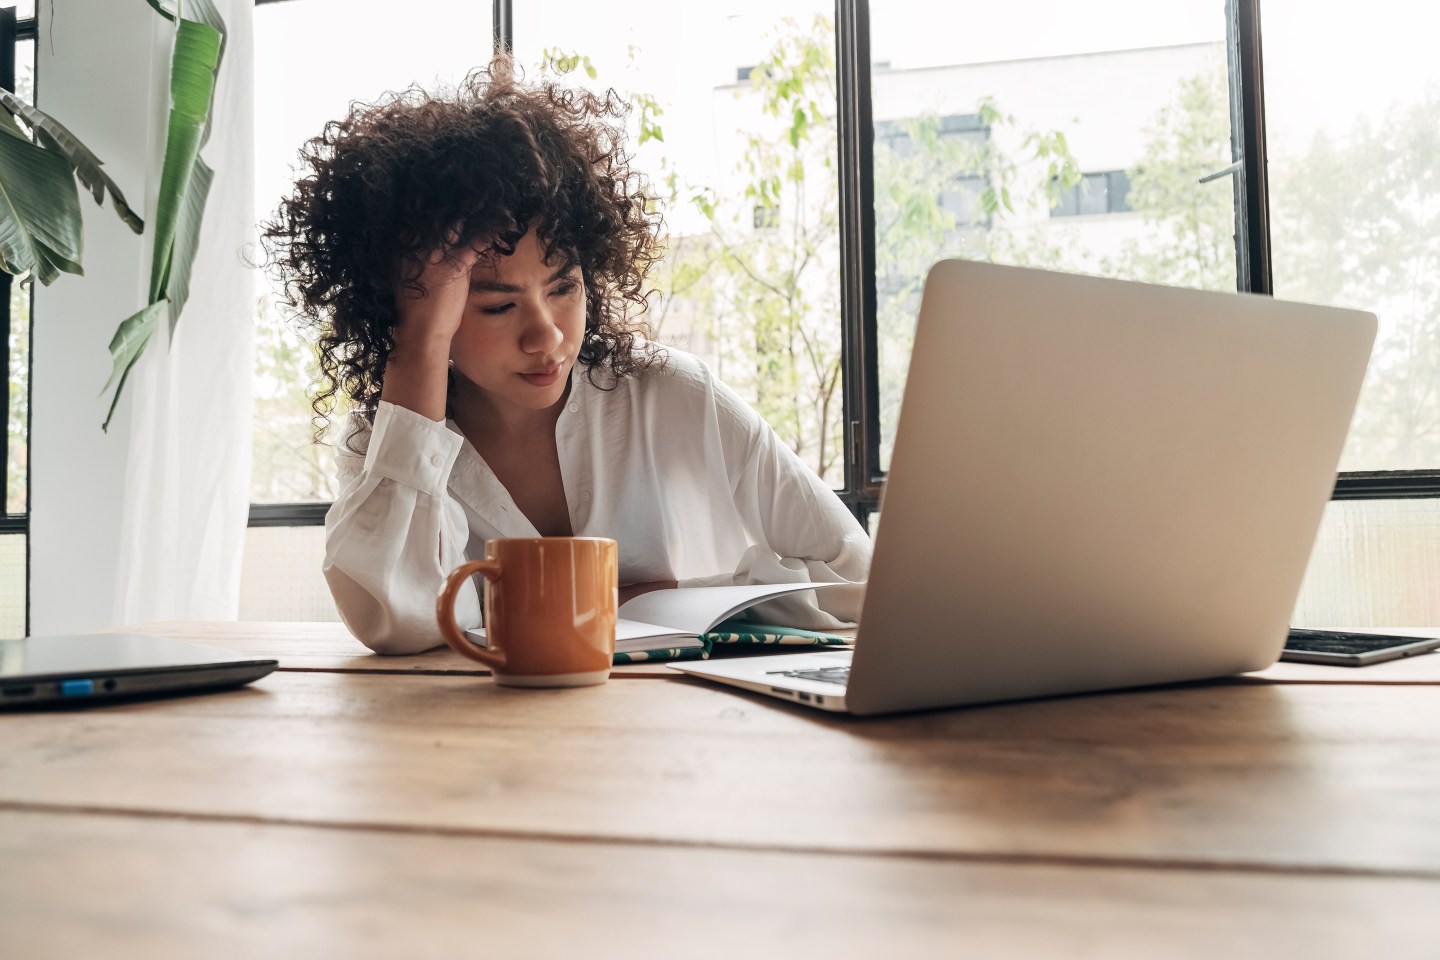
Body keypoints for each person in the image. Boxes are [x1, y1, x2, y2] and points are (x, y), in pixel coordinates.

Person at [263, 58, 871, 655]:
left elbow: (859, 577)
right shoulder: (384, 442)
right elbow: (393, 621)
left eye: (564, 288)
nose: (547, 337)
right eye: (497, 307)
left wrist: (649, 598)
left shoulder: (673, 396)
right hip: (468, 742)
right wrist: (419, 340)